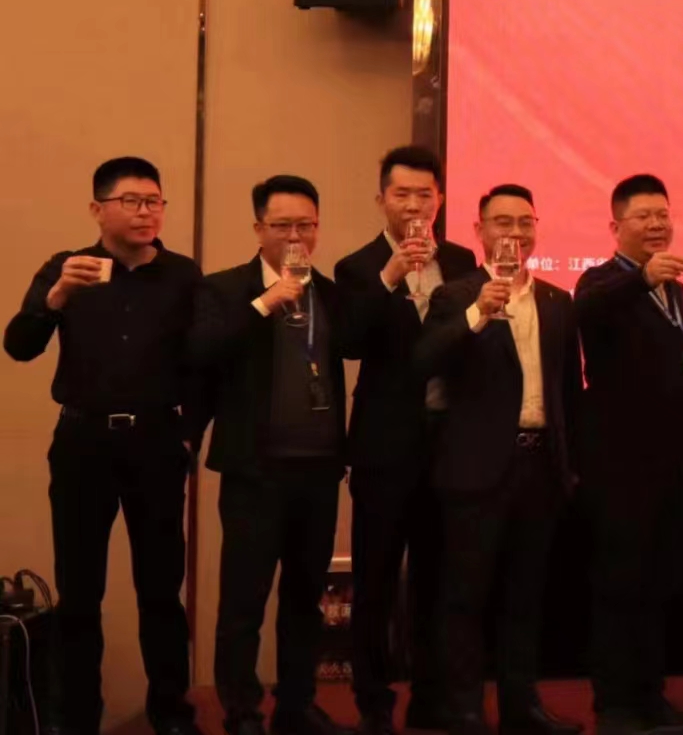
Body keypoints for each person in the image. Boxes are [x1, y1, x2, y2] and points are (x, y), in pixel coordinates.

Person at [4, 157, 201, 735]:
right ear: (98, 209)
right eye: (131, 201)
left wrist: (189, 431)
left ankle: (171, 713)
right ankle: (77, 719)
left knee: (161, 590)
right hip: (82, 442)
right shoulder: (66, 268)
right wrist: (57, 296)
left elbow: (204, 361)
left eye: (154, 201)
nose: (146, 212)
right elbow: (18, 345)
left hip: (157, 442)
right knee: (79, 592)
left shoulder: (183, 276)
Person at [415, 184, 582, 735]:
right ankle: (463, 707)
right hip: (476, 468)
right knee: (465, 595)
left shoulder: (557, 301)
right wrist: (475, 315)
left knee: (525, 596)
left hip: (540, 467)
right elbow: (423, 360)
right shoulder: (457, 295)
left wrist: (570, 466)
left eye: (524, 222)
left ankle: (521, 706)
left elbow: (569, 389)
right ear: (479, 231)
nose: (514, 233)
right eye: (502, 222)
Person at [191, 176, 352, 735]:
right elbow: (201, 351)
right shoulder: (225, 289)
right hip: (254, 471)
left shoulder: (329, 292)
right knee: (244, 600)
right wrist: (265, 303)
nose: (294, 236)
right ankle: (241, 712)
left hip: (319, 468)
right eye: (282, 225)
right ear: (259, 228)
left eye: (305, 225)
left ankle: (296, 705)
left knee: (305, 598)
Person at [333, 146, 478, 735]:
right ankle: (373, 702)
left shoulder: (463, 260)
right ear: (382, 200)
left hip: (451, 444)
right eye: (403, 194)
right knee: (375, 578)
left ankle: (431, 696)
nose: (415, 205)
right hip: (385, 448)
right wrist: (390, 277)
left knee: (438, 579)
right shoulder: (358, 267)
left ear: (440, 199)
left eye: (425, 194)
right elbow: (348, 341)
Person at [573, 174, 683, 735]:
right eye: (644, 216)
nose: (658, 224)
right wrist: (641, 279)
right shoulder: (600, 281)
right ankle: (614, 705)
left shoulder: (678, 291)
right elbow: (589, 313)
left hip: (673, 457)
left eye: (663, 214)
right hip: (620, 464)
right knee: (619, 584)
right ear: (616, 226)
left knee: (659, 585)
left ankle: (651, 695)